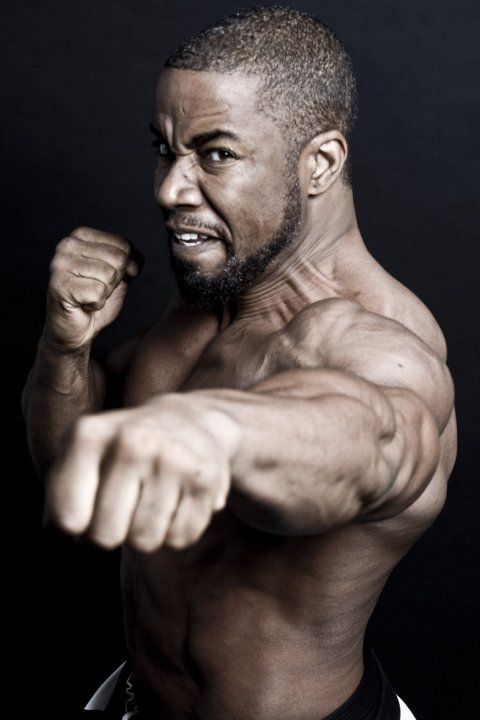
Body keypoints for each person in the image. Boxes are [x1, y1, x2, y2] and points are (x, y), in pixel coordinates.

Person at [21, 6, 456, 720]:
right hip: (133, 698)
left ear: (319, 163)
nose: (169, 191)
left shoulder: (377, 339)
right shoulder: (212, 299)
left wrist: (215, 432)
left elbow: (380, 440)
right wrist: (63, 349)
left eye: (215, 154)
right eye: (166, 150)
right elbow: (70, 467)